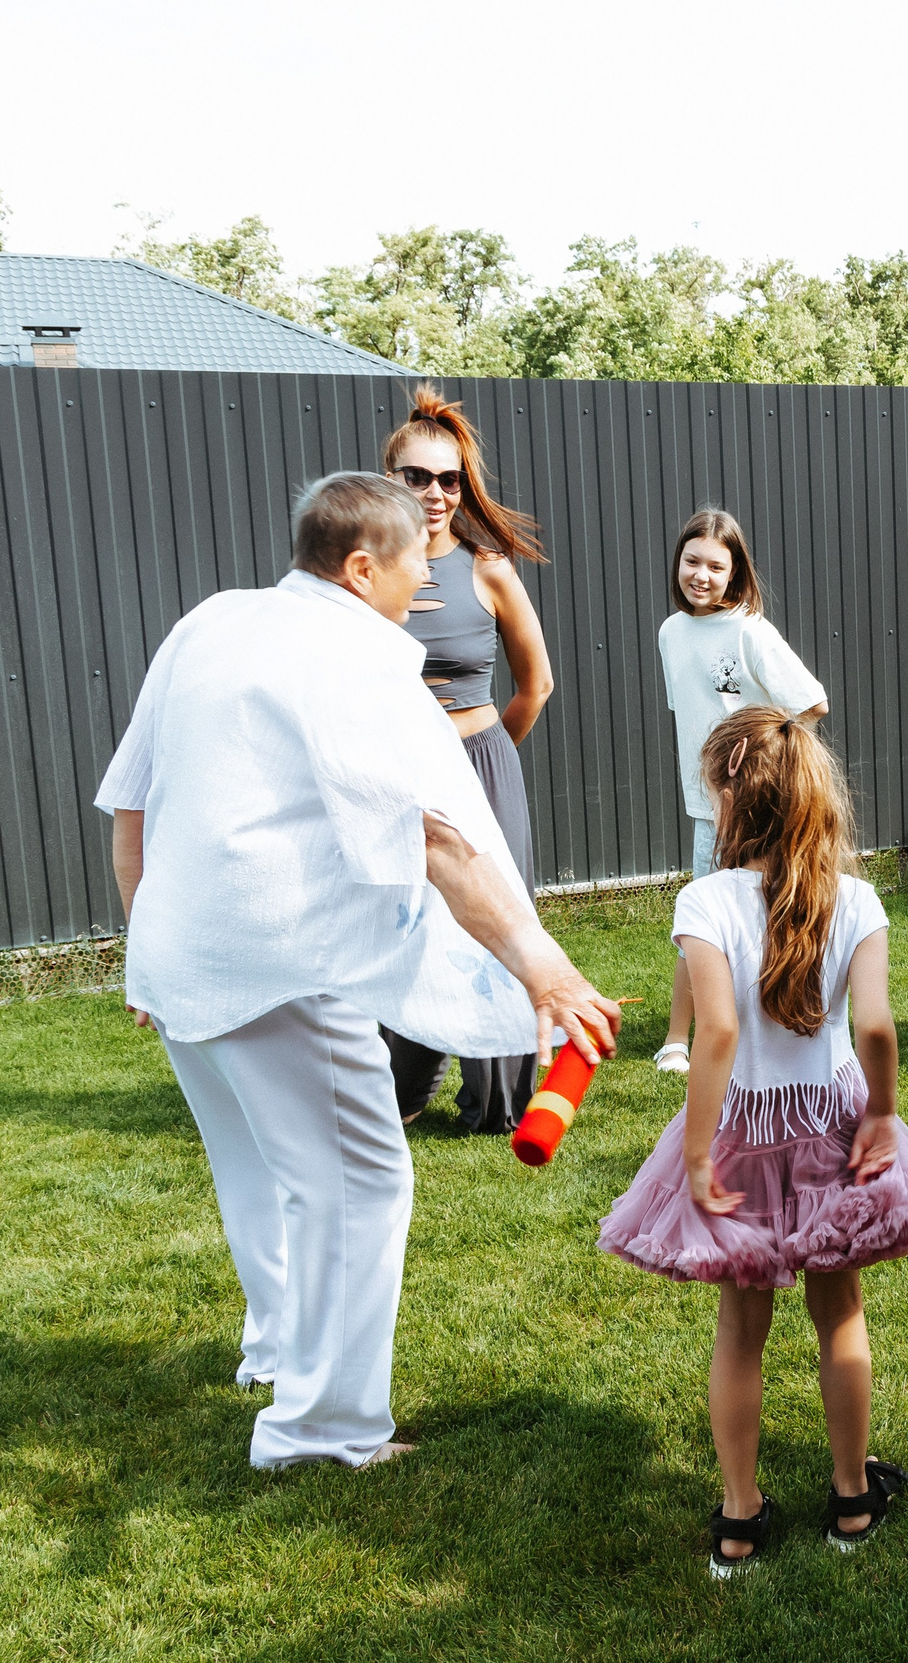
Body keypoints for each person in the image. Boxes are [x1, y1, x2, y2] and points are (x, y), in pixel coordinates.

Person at [96, 472, 621, 1469]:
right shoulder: (362, 656)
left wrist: (144, 947)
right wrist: (546, 972)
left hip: (178, 955)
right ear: (360, 566)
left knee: (259, 1168)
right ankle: (319, 1430)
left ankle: (279, 1355)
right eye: (417, 563)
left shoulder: (211, 621)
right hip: (278, 961)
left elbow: (133, 808)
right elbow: (441, 840)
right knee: (358, 1181)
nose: (428, 580)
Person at [596, 706, 908, 1575]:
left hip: (747, 1135)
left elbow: (715, 1032)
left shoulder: (705, 899)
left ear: (731, 793)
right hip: (834, 1124)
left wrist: (695, 1152)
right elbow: (873, 1025)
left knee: (741, 1325)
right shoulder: (858, 897)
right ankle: (849, 1497)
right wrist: (881, 1110)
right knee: (839, 1312)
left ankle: (740, 1517)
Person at [378, 386, 558, 1134]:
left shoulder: (488, 569)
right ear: (389, 478)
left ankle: (499, 1099)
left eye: (448, 479)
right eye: (416, 477)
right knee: (400, 925)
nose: (434, 493)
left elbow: (537, 683)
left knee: (495, 918)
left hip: (480, 764)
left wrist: (484, 759)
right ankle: (398, 1088)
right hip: (391, 778)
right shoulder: (362, 571)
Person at [651, 509, 828, 1076]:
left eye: (715, 566)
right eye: (691, 561)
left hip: (764, 811)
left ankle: (790, 1022)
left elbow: (811, 702)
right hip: (709, 810)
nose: (701, 575)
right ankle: (678, 1040)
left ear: (735, 573)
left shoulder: (750, 631)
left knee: (779, 913)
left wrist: (770, 766)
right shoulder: (671, 633)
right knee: (700, 919)